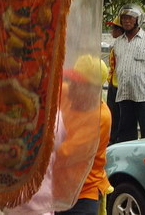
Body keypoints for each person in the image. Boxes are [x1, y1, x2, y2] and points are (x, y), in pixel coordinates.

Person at [55, 57, 111, 215]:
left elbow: (66, 154)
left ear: (92, 90)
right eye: (70, 79)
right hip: (58, 188)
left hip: (83, 193)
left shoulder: (100, 117)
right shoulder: (68, 93)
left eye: (76, 82)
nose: (70, 85)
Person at [113, 4, 145, 142]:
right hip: (124, 95)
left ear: (137, 20)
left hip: (144, 96)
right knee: (126, 135)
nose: (126, 21)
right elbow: (118, 67)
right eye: (123, 18)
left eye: (130, 18)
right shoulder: (118, 43)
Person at [105, 16, 124, 145]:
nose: (112, 30)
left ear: (120, 30)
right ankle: (111, 138)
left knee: (117, 116)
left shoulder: (122, 46)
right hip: (112, 83)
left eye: (114, 28)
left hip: (119, 85)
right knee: (112, 114)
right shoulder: (114, 45)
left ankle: (116, 140)